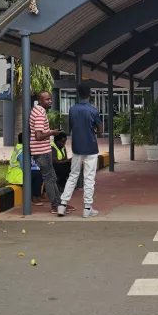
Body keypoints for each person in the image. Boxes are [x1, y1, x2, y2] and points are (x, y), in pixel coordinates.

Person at [57, 82, 103, 218]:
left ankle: (62, 205)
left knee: (73, 175)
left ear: (78, 94)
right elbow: (100, 130)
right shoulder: (93, 110)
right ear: (90, 94)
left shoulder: (72, 109)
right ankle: (87, 208)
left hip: (77, 147)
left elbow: (71, 127)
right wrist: (94, 129)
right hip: (91, 147)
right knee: (89, 177)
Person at [29, 91, 62, 212]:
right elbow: (38, 136)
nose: (50, 101)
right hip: (42, 151)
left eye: (50, 99)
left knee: (52, 177)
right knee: (49, 178)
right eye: (47, 99)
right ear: (40, 101)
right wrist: (52, 132)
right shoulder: (39, 113)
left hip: (43, 151)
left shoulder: (38, 111)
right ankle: (55, 206)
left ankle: (59, 204)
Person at [6, 133, 43, 207]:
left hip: (18, 173)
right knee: (37, 174)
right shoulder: (22, 150)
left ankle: (37, 196)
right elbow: (25, 166)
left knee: (40, 172)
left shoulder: (22, 148)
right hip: (17, 175)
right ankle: (34, 197)